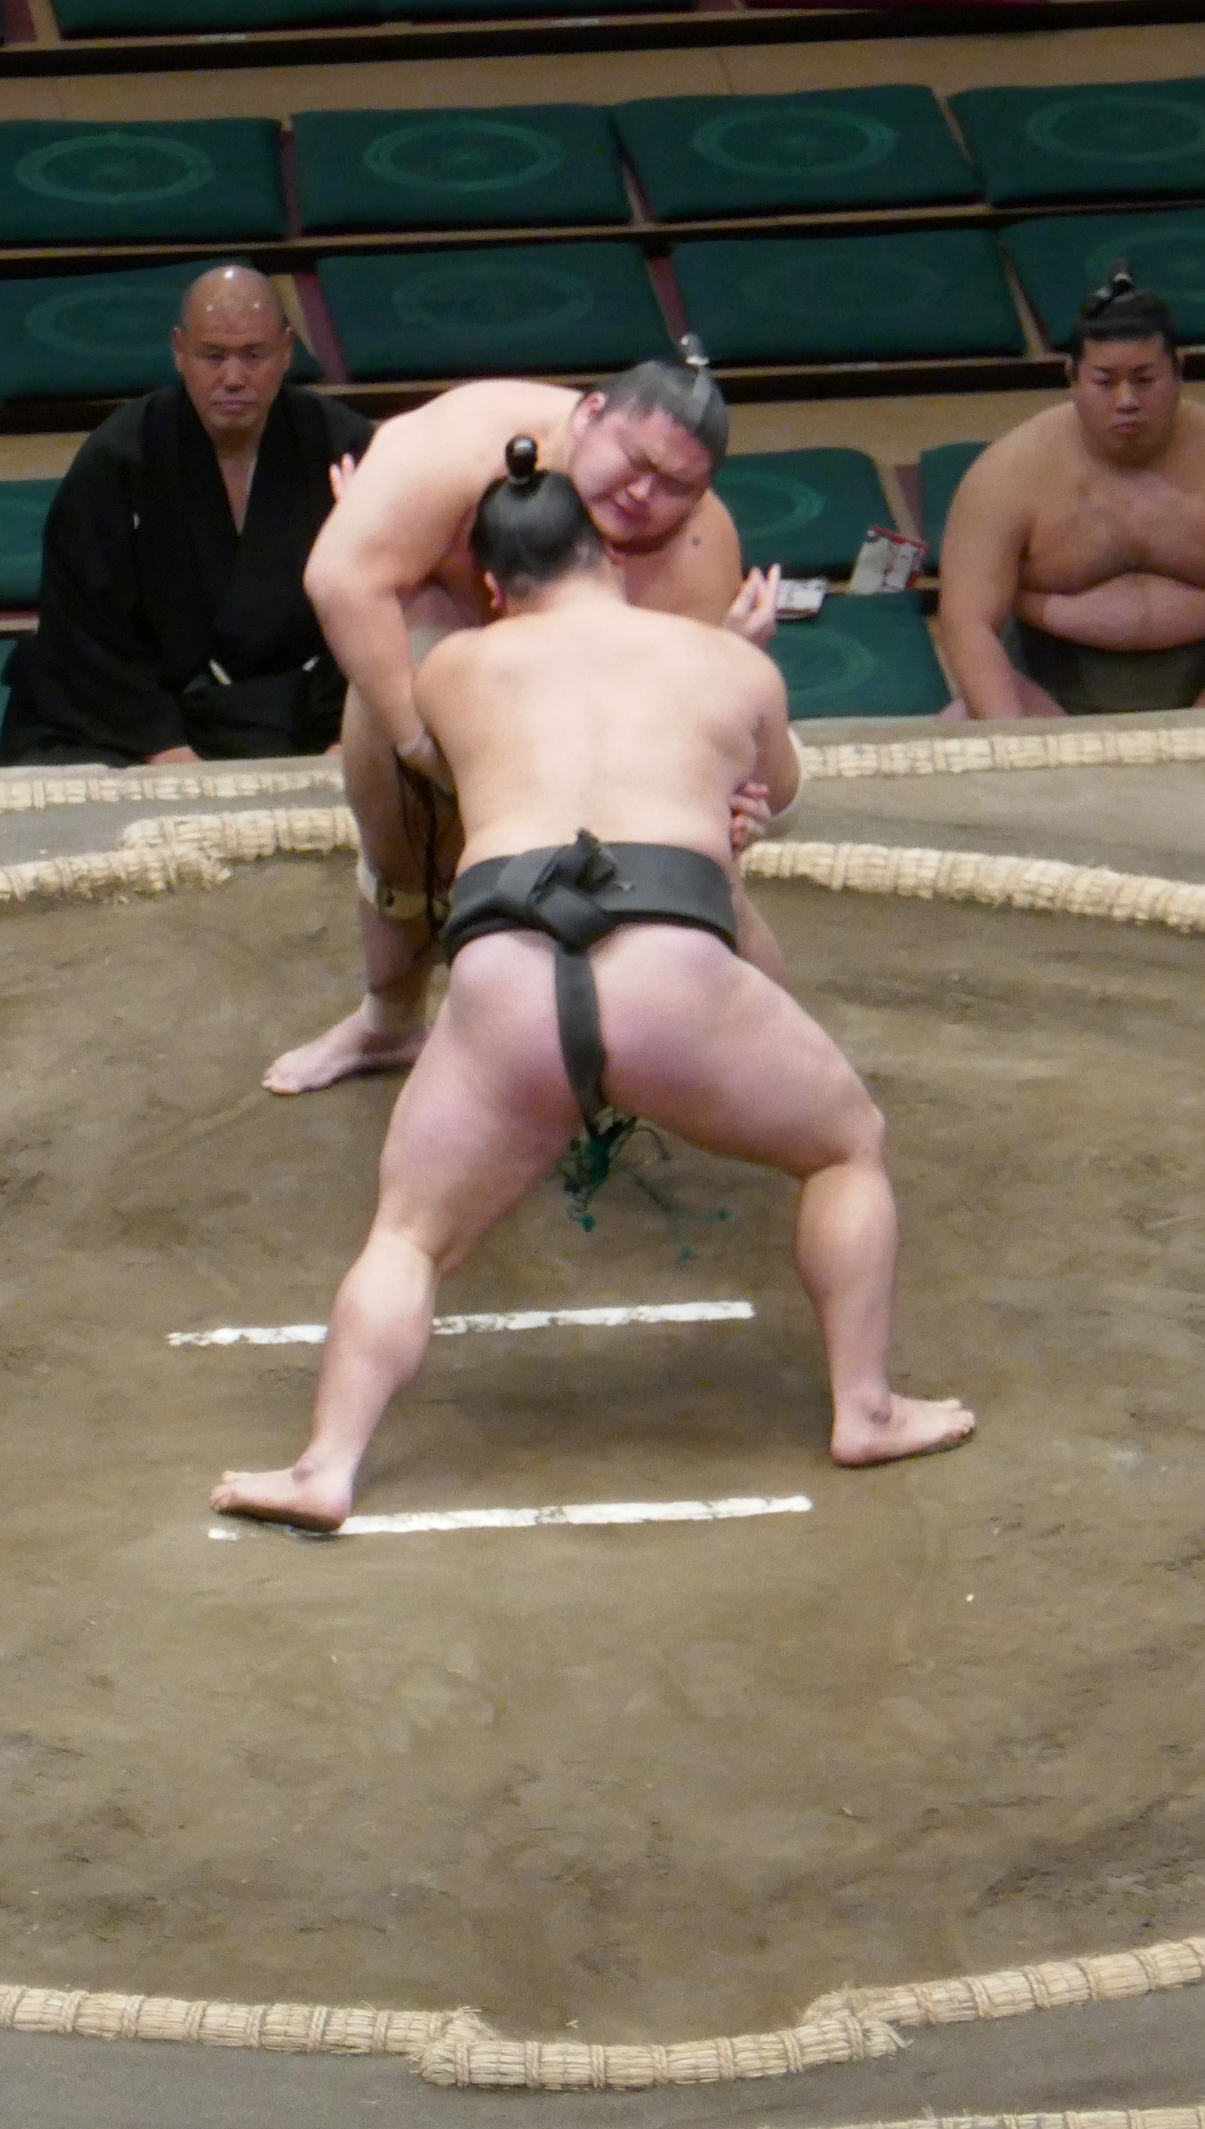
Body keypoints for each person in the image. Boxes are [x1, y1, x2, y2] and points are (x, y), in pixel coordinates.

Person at [211, 442, 971, 1531]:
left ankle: (324, 1466)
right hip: (673, 966)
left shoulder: (452, 670)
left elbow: (428, 739)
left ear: (491, 587)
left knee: (409, 1234)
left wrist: (392, 557)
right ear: (608, 555)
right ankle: (867, 1408)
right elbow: (775, 798)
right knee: (848, 1146)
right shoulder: (731, 667)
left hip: (505, 974)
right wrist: (731, 706)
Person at [261, 356, 780, 1098]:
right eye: (636, 462)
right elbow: (341, 578)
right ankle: (391, 1019)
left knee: (694, 845)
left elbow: (687, 716)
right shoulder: (463, 443)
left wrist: (725, 798)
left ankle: (680, 1030)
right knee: (399, 724)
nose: (644, 494)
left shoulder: (697, 546)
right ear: (590, 414)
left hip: (607, 713)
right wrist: (419, 744)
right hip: (446, 662)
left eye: (677, 488)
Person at [0, 266, 376, 768]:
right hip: (136, 718)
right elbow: (82, 627)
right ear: (179, 350)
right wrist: (164, 749)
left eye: (254, 355)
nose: (233, 378)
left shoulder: (344, 450)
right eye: (213, 356)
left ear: (286, 351)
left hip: (300, 716)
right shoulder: (119, 458)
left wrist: (347, 737)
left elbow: (382, 603)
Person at [933, 273, 1205, 720]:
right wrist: (1012, 736)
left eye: (1145, 379)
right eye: (1105, 382)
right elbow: (968, 621)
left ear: (1178, 373)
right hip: (1045, 698)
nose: (1126, 400)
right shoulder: (1006, 473)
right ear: (1072, 378)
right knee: (964, 725)